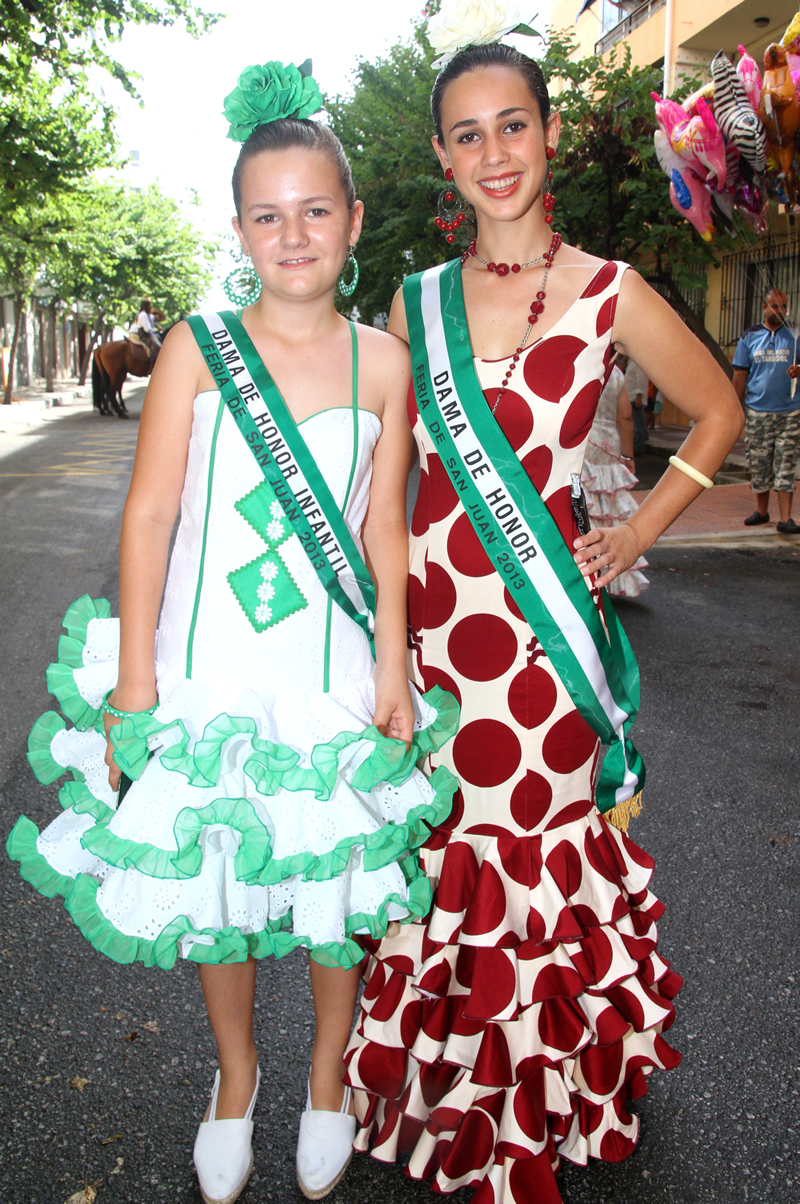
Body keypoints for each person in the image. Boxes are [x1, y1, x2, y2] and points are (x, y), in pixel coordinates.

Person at [5, 62, 459, 1204]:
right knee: (217, 887)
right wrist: (137, 684)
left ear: (351, 222)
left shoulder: (386, 364)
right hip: (207, 678)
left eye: (316, 210)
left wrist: (395, 665)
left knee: (329, 889)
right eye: (269, 213)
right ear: (239, 226)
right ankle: (234, 1076)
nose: (293, 233)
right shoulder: (196, 351)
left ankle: (323, 1076)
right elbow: (150, 513)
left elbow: (384, 524)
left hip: (329, 676)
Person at [343, 16, 743, 1204]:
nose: (493, 150)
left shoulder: (613, 293)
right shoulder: (415, 302)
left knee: (535, 862)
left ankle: (545, 1096)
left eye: (510, 123)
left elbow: (715, 412)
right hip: (435, 643)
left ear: (549, 133)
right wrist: (383, 642)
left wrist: (633, 529)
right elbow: (388, 474)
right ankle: (441, 1097)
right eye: (466, 135)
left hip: (543, 652)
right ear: (442, 159)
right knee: (443, 856)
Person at [733, 288, 800, 534]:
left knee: (786, 462)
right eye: (775, 306)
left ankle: (786, 519)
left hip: (790, 410)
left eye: (784, 306)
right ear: (764, 307)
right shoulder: (749, 336)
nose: (780, 311)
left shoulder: (796, 335)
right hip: (757, 411)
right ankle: (762, 512)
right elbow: (741, 374)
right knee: (759, 462)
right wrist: (734, 408)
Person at [581, 362, 650, 598]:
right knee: (609, 507)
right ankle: (614, 577)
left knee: (585, 504)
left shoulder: (581, 364)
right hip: (609, 444)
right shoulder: (616, 373)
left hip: (583, 441)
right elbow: (626, 417)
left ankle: (584, 572)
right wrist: (628, 455)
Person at [625, 355, 649, 453]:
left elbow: (641, 381)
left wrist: (639, 395)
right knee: (637, 422)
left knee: (638, 423)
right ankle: (639, 442)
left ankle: (638, 446)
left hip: (635, 397)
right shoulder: (633, 363)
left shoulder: (639, 364)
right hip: (631, 396)